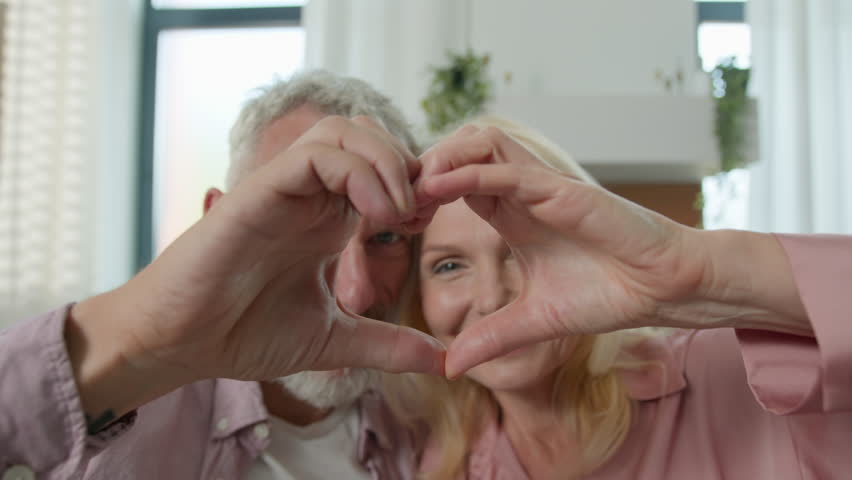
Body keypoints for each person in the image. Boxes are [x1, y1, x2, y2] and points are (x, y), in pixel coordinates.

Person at [0, 70, 445, 480]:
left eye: (387, 239)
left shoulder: (428, 423)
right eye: (306, 229)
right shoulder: (123, 426)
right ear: (216, 221)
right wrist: (137, 347)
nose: (357, 292)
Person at [389, 115, 852, 479]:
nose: (491, 297)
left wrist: (692, 267)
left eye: (518, 254)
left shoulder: (727, 374)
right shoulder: (435, 462)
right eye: (448, 265)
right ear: (419, 303)